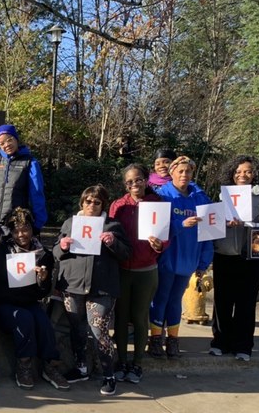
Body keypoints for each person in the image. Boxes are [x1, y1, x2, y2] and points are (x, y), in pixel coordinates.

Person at [53, 185, 130, 396]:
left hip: (102, 288)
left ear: (103, 204)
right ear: (82, 202)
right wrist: (63, 246)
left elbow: (125, 254)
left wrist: (113, 242)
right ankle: (81, 368)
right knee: (76, 329)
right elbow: (55, 251)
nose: (92, 205)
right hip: (73, 286)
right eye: (88, 201)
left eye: (97, 202)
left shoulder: (113, 226)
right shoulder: (70, 223)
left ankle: (109, 374)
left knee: (99, 331)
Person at [0, 207, 70, 391]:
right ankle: (24, 365)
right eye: (16, 230)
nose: (21, 234)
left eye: (25, 229)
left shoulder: (43, 255)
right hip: (3, 304)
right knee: (24, 318)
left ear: (33, 230)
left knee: (42, 321)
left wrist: (42, 280)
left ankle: (50, 366)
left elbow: (42, 293)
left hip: (29, 302)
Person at [149, 156, 213, 359]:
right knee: (160, 300)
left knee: (175, 301)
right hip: (166, 259)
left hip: (189, 260)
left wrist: (204, 263)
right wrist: (180, 224)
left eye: (188, 171)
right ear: (172, 172)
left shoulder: (201, 198)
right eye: (180, 171)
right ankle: (156, 340)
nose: (184, 175)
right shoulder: (161, 196)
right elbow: (155, 229)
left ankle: (173, 341)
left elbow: (209, 234)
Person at [210, 155, 259, 361]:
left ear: (255, 173)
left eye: (247, 171)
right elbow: (211, 223)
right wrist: (223, 223)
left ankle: (243, 346)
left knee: (246, 303)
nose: (242, 175)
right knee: (222, 301)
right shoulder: (222, 195)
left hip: (251, 257)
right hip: (225, 254)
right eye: (238, 172)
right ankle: (220, 342)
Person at [109, 164, 167, 383]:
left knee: (140, 318)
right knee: (121, 318)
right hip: (122, 270)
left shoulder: (158, 205)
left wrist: (160, 245)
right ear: (125, 184)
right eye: (129, 182)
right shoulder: (118, 205)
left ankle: (137, 364)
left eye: (138, 179)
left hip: (146, 270)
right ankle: (122, 361)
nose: (134, 184)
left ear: (146, 180)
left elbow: (166, 235)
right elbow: (110, 230)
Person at [0, 124, 47, 244]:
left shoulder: (30, 162)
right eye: (2, 143)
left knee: (9, 260)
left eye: (9, 139)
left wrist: (38, 222)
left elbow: (37, 194)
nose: (7, 145)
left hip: (14, 223)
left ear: (16, 139)